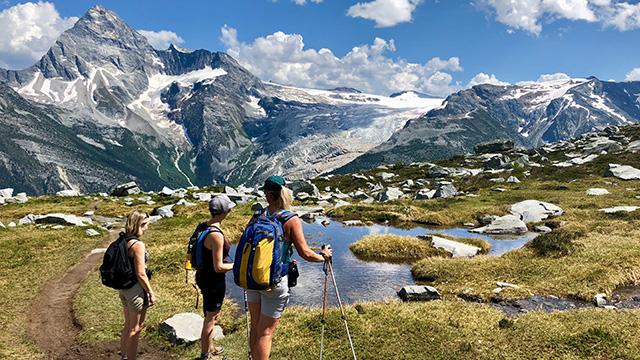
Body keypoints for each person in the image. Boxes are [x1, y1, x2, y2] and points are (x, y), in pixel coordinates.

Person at [247, 176, 332, 360]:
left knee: (256, 327)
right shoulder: (291, 219)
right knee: (266, 333)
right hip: (275, 281)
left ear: (268, 195)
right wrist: (323, 256)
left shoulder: (257, 215)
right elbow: (305, 253)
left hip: (252, 278)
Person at [196, 195, 236, 360]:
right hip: (213, 281)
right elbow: (219, 267)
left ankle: (210, 346)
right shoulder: (216, 235)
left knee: (211, 315)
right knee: (211, 319)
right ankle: (206, 355)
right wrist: (239, 265)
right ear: (225, 212)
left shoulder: (204, 226)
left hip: (203, 277)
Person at [119, 210, 156, 360]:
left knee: (128, 325)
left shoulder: (123, 240)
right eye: (146, 224)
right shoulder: (138, 245)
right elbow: (141, 273)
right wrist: (150, 292)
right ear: (140, 225)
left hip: (124, 288)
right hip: (135, 290)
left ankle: (124, 356)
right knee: (136, 329)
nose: (147, 228)